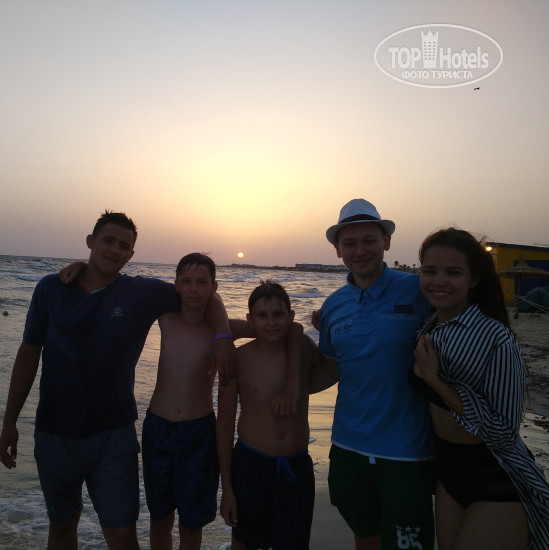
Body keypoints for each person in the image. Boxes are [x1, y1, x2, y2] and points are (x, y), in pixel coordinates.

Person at [0, 211, 233, 550]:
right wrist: (9, 421)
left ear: (131, 254)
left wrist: (223, 335)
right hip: (54, 432)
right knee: (61, 527)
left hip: (114, 437)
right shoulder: (51, 288)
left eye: (123, 245)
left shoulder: (141, 293)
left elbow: (203, 295)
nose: (114, 250)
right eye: (108, 241)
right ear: (90, 241)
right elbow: (28, 354)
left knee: (122, 537)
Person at [411, 227, 549, 550]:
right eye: (429, 271)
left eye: (453, 272)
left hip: (493, 474)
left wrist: (435, 381)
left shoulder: (495, 338)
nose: (439, 281)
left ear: (473, 279)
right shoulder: (429, 324)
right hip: (447, 471)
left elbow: (503, 432)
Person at [312, 198, 435, 550]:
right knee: (365, 536)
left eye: (369, 240)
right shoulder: (333, 305)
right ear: (337, 250)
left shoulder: (420, 290)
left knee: (408, 543)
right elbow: (332, 366)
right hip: (347, 445)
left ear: (387, 241)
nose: (360, 250)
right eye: (350, 243)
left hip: (406, 449)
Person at [217, 280, 315, 549]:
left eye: (278, 314)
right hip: (251, 465)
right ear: (250, 320)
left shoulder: (304, 348)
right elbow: (224, 425)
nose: (271, 322)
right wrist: (227, 488)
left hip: (296, 466)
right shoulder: (238, 359)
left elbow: (333, 367)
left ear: (290, 316)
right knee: (245, 543)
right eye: (262, 315)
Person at [142, 252, 221, 550]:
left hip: (199, 433)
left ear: (214, 287)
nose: (193, 289)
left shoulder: (221, 330)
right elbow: (121, 287)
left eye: (202, 282)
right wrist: (81, 267)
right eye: (186, 281)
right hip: (158, 428)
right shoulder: (165, 319)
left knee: (192, 521)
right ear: (175, 285)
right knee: (160, 515)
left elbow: (272, 328)